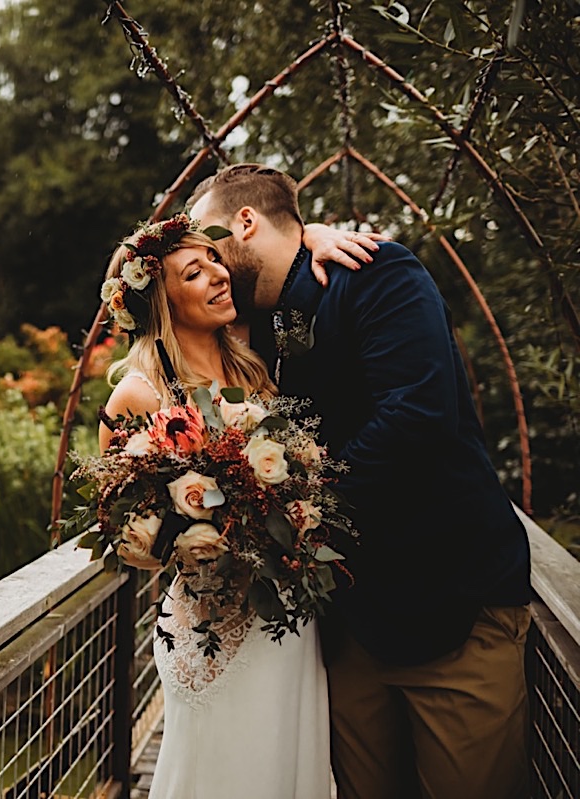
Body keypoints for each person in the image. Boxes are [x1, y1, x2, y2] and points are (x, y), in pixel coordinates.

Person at [188, 163, 532, 799]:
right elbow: (158, 280)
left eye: (210, 247)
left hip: (452, 607)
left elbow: (417, 413)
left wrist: (302, 509)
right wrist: (308, 232)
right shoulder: (250, 330)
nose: (207, 266)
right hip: (351, 630)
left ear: (244, 222)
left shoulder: (380, 274)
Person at [98, 215, 375, 799]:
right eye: (193, 272)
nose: (220, 276)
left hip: (287, 622)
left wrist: (318, 232)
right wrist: (188, 538)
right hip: (210, 628)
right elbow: (117, 525)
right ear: (161, 303)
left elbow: (278, 240)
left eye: (215, 261)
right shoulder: (140, 394)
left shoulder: (256, 365)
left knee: (285, 764)